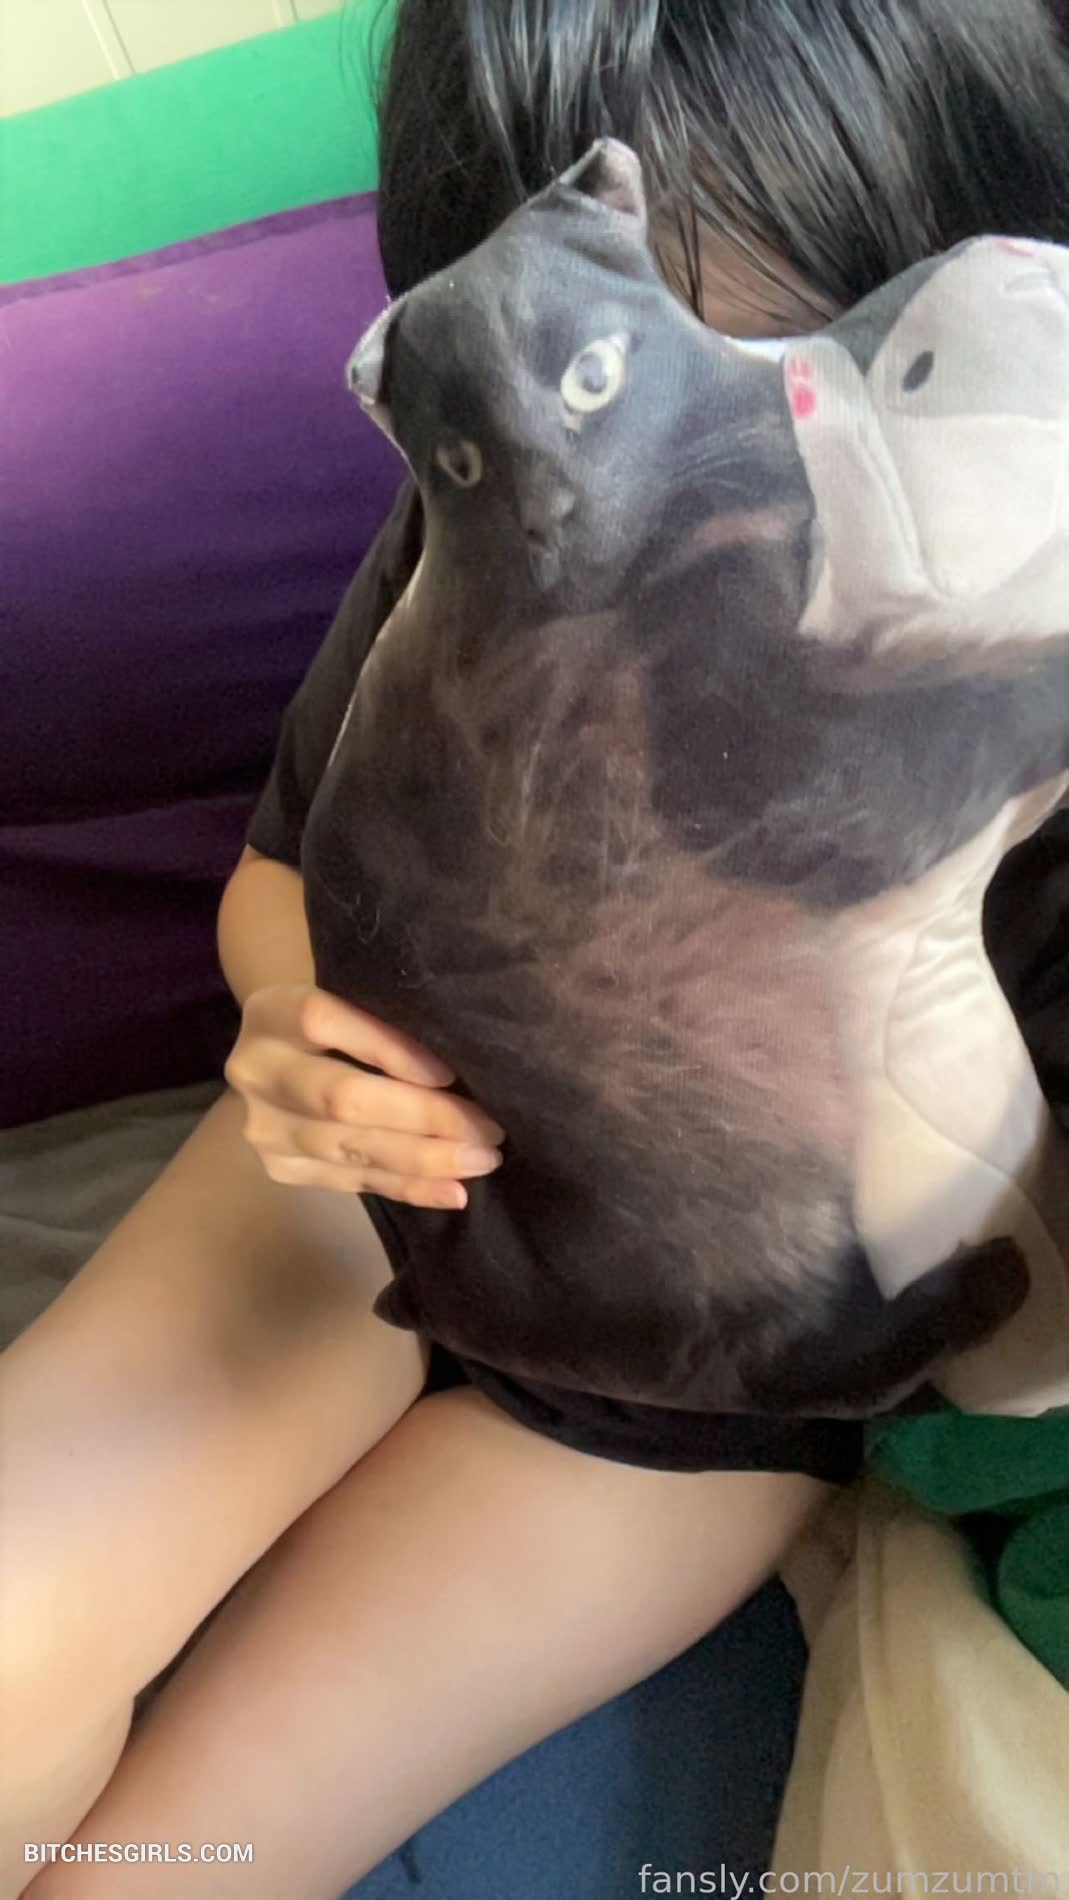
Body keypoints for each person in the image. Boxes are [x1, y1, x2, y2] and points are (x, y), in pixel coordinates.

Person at [5, 2, 1068, 1894]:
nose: (739, 457)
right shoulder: (518, 517)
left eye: (814, 364)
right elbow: (287, 874)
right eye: (640, 379)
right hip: (368, 1190)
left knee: (177, 1858)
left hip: (694, 1388)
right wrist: (300, 1035)